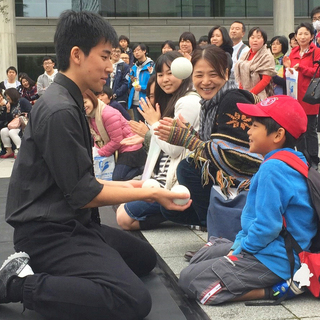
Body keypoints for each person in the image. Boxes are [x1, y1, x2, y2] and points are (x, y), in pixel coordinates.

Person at [0, 10, 191, 320]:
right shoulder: (60, 108)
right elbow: (84, 193)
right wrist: (149, 194)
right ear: (77, 55)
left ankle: (70, 270)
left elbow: (81, 182)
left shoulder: (69, 98)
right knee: (133, 300)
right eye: (104, 56)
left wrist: (133, 186)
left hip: (74, 223)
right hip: (48, 233)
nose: (109, 66)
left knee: (142, 258)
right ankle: (15, 285)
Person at [178, 95, 317, 305]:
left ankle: (280, 289)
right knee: (203, 255)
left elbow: (268, 227)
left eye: (254, 126)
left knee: (190, 280)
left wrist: (242, 250)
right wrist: (238, 247)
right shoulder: (293, 160)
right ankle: (233, 257)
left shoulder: (273, 169)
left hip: (276, 258)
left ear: (278, 134)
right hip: (272, 247)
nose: (248, 131)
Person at [154, 45, 262, 229]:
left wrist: (187, 140)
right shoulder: (209, 104)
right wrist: (190, 134)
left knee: (189, 167)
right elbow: (215, 146)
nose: (205, 81)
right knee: (171, 210)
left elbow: (237, 156)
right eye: (199, 75)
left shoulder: (233, 99)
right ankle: (221, 222)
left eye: (213, 74)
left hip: (255, 182)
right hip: (231, 181)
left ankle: (217, 233)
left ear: (226, 74)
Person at [116, 51, 201, 230]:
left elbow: (174, 149)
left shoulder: (188, 102)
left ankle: (183, 214)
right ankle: (178, 215)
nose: (164, 79)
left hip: (175, 183)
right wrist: (148, 135)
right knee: (123, 209)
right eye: (160, 74)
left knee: (124, 217)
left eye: (170, 73)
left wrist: (152, 127)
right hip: (163, 179)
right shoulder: (175, 101)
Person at [84, 89, 146, 181]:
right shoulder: (91, 116)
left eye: (85, 102)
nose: (84, 106)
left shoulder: (107, 114)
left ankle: (142, 168)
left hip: (130, 147)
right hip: (118, 149)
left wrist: (100, 153)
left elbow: (117, 141)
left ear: (92, 99)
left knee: (117, 178)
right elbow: (97, 138)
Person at [283, 22, 320, 170]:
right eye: (300, 34)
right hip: (294, 95)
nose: (302, 37)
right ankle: (302, 157)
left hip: (309, 95)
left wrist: (301, 68)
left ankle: (313, 160)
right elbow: (290, 73)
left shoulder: (316, 51)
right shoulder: (293, 52)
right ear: (296, 36)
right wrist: (288, 68)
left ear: (312, 36)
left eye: (306, 34)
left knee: (310, 128)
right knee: (297, 128)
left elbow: (317, 72)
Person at [234, 27, 276, 100]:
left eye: (258, 38)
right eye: (252, 37)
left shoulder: (267, 56)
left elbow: (265, 80)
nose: (255, 40)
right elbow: (241, 77)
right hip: (245, 94)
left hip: (262, 95)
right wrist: (243, 92)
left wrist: (250, 94)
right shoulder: (244, 55)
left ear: (264, 40)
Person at [0, 88, 32, 158]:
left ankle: (21, 151)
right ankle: (9, 151)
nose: (7, 98)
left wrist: (21, 115)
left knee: (12, 132)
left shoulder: (22, 101)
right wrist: (8, 111)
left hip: (23, 125)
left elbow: (31, 111)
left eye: (8, 95)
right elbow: (9, 121)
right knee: (3, 131)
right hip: (14, 125)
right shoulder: (10, 104)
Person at [128, 43, 154, 122]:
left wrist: (142, 88)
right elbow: (129, 83)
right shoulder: (133, 67)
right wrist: (131, 80)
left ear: (144, 51)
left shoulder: (151, 66)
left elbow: (154, 82)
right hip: (135, 100)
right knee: (138, 123)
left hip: (146, 100)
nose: (136, 52)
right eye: (134, 51)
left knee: (148, 123)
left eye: (138, 50)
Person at [105, 43, 130, 109]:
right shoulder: (105, 64)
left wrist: (115, 94)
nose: (116, 54)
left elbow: (126, 83)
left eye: (118, 51)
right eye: (113, 51)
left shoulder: (125, 66)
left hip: (120, 99)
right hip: (105, 98)